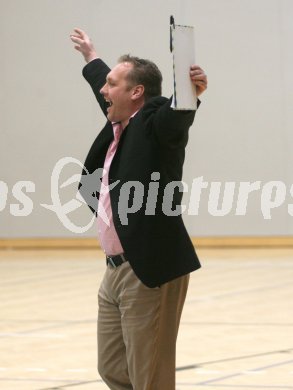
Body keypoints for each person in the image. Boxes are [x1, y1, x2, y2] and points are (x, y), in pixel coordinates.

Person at [70, 28, 207, 390]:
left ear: (136, 93)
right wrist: (91, 56)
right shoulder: (121, 120)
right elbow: (103, 81)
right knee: (113, 367)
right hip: (114, 269)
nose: (104, 90)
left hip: (149, 267)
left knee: (149, 376)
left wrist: (188, 90)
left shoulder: (154, 122)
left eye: (112, 84)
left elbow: (178, 114)